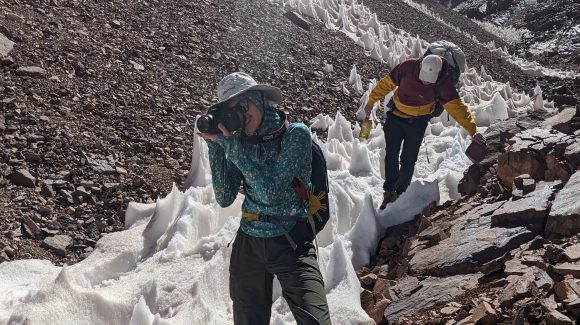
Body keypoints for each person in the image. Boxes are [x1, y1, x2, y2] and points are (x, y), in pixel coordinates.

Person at [198, 72, 331, 325]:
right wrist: (215, 147)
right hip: (249, 243)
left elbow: (270, 193)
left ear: (259, 99)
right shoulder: (240, 141)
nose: (239, 114)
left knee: (316, 320)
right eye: (230, 110)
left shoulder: (295, 135)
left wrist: (232, 148)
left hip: (291, 240)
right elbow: (225, 197)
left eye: (242, 105)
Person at [363, 54, 486, 209]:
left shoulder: (443, 83)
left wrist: (473, 130)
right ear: (420, 66)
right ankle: (389, 192)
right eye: (423, 77)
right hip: (395, 117)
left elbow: (457, 108)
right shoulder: (407, 67)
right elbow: (386, 84)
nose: (425, 81)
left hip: (417, 123)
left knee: (409, 158)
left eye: (429, 79)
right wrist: (370, 101)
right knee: (391, 154)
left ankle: (401, 193)